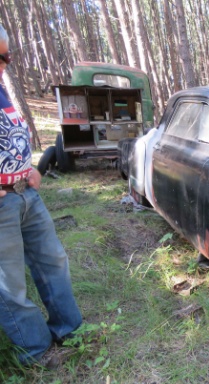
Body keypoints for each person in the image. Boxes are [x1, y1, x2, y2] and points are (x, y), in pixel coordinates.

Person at [0, 24, 82, 366]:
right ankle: (36, 352)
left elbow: (11, 137)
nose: (6, 63)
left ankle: (70, 330)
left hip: (26, 195)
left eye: (6, 56)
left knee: (53, 261)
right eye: (1, 56)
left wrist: (30, 166)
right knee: (10, 283)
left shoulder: (2, 90)